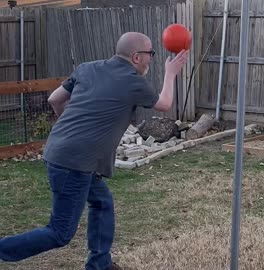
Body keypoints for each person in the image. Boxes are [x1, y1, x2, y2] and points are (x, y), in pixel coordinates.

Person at [0, 32, 189, 270]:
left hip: (60, 151)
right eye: (150, 54)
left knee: (102, 202)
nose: (152, 59)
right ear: (136, 57)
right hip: (75, 164)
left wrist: (69, 133)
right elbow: (165, 104)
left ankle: (100, 264)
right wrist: (171, 74)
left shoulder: (87, 68)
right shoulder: (133, 81)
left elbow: (54, 99)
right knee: (60, 232)